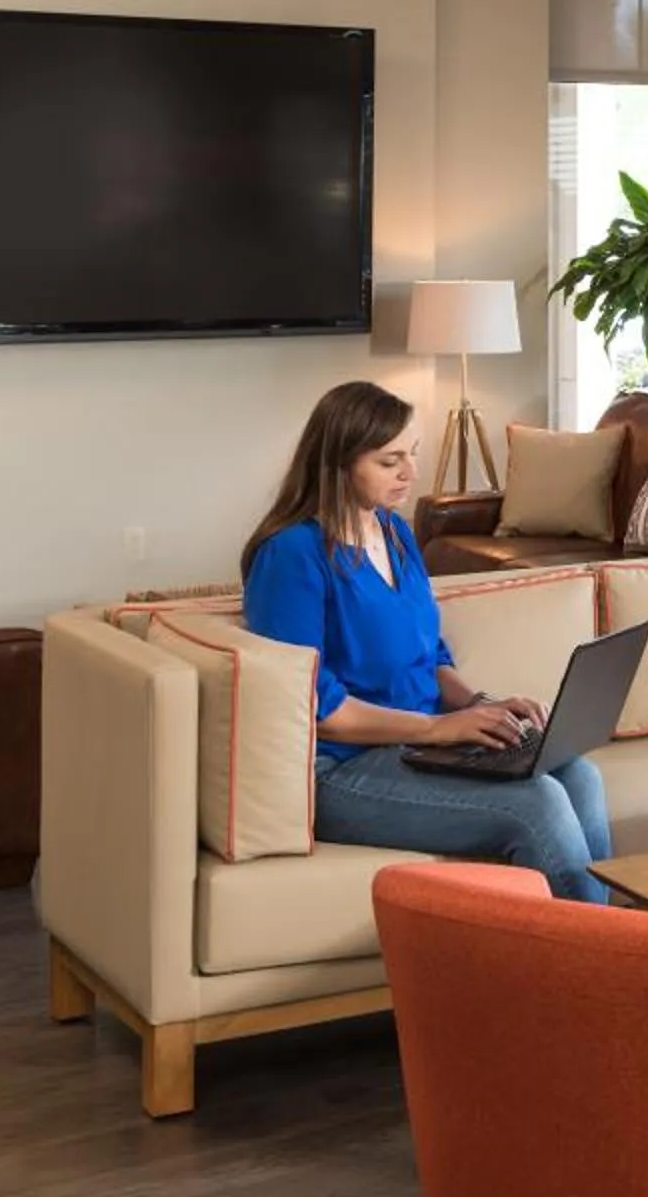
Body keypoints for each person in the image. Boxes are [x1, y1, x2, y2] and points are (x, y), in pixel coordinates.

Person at [242, 380, 613, 903]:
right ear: (340, 462)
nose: (410, 473)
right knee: (537, 805)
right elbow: (313, 706)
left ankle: (617, 948)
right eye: (390, 461)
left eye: (411, 455)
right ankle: (589, 973)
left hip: (419, 747)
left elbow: (431, 658)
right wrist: (441, 728)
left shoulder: (394, 534)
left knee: (578, 775)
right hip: (341, 771)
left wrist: (483, 706)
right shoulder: (292, 555)